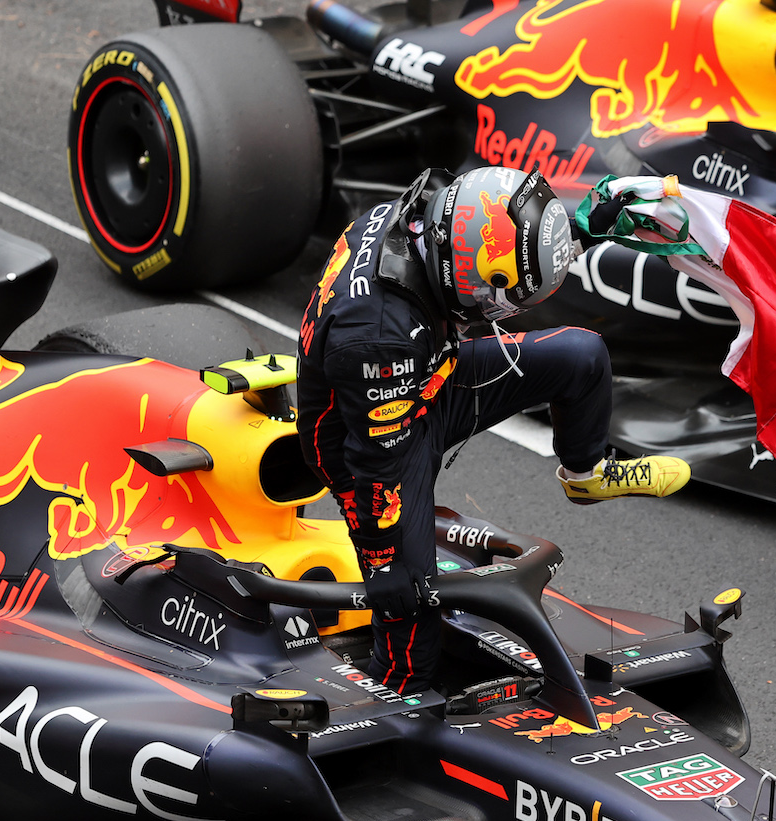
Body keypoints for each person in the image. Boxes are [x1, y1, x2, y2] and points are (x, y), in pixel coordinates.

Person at [296, 165, 690, 695]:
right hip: (366, 438)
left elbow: (501, 240)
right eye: (500, 296)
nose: (500, 310)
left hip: (431, 374)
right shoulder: (379, 334)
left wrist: (581, 231)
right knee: (409, 599)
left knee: (582, 356)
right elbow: (375, 465)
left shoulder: (432, 218)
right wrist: (386, 561)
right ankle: (394, 698)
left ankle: (586, 473)